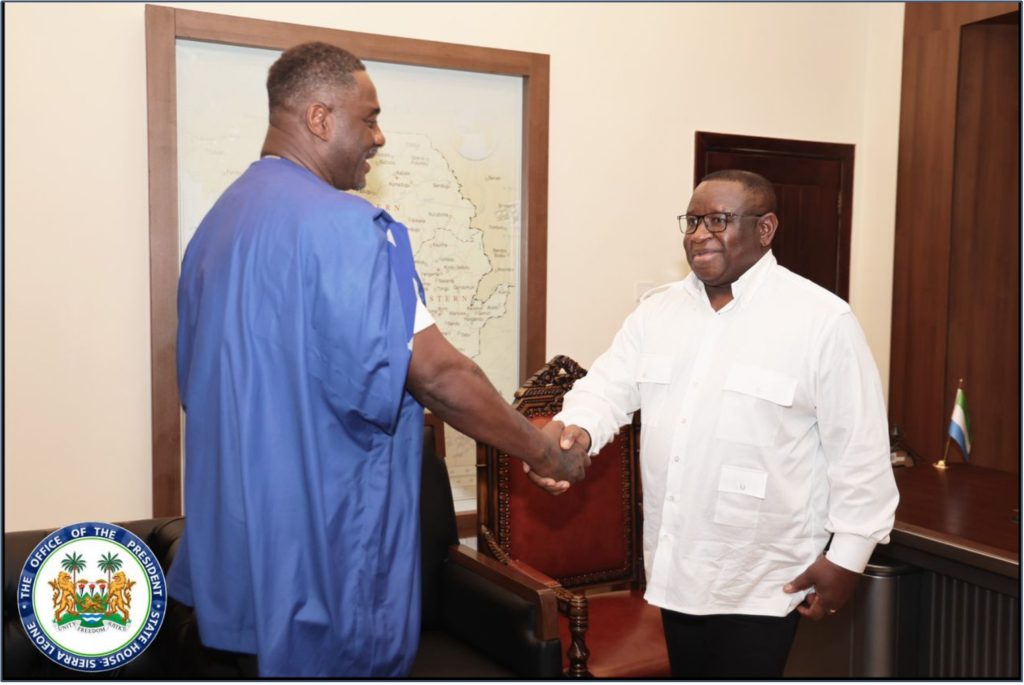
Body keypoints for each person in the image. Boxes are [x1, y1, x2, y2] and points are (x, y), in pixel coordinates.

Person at [167, 42, 586, 678]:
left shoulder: (215, 229)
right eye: (369, 119)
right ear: (319, 118)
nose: (379, 137)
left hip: (234, 565)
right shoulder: (349, 230)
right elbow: (440, 375)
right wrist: (542, 451)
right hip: (320, 574)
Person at [543, 170, 899, 678]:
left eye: (718, 220)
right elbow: (606, 389)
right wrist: (577, 431)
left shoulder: (821, 320)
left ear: (765, 229)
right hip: (677, 567)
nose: (698, 234)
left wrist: (848, 558)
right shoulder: (657, 312)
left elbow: (859, 451)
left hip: (767, 577)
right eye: (692, 221)